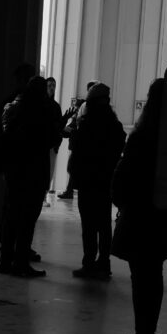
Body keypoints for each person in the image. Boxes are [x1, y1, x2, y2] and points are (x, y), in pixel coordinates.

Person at [109, 77, 167, 334]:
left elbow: (123, 177)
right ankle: (147, 333)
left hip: (140, 215)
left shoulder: (142, 136)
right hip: (164, 215)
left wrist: (121, 201)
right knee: (154, 275)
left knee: (140, 278)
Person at [0, 75, 65, 276]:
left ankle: (5, 260)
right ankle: (21, 262)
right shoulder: (41, 112)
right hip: (34, 172)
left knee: (11, 216)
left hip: (14, 170)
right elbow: (50, 139)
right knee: (27, 219)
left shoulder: (13, 108)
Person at [66, 82, 125, 279]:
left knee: (89, 225)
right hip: (105, 181)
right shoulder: (114, 125)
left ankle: (89, 262)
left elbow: (76, 149)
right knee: (104, 224)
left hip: (87, 181)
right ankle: (104, 262)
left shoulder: (86, 124)